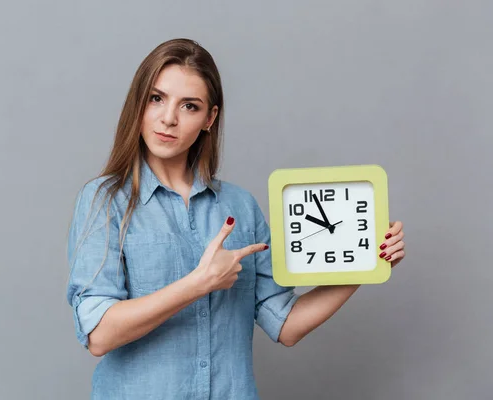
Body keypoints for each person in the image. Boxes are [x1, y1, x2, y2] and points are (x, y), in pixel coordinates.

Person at [66, 38, 406, 399]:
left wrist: (367, 262)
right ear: (139, 103)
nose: (169, 118)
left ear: (209, 118)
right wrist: (199, 283)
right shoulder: (105, 201)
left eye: (189, 106)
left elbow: (286, 324)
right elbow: (99, 334)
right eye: (156, 98)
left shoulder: (241, 207)